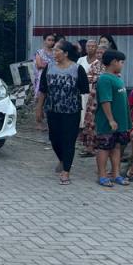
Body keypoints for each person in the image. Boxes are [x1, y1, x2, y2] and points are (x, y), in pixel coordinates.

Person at [34, 39, 88, 185]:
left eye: (57, 50)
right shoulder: (49, 68)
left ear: (65, 53)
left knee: (68, 141)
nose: (54, 53)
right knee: (54, 139)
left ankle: (66, 172)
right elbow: (43, 90)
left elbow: (84, 90)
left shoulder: (77, 69)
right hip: (52, 109)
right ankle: (63, 159)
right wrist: (39, 109)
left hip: (72, 111)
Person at [94, 49, 130, 189]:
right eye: (121, 62)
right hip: (108, 122)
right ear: (114, 62)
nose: (122, 65)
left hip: (120, 122)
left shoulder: (117, 78)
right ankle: (102, 175)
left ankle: (116, 174)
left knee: (116, 147)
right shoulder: (104, 79)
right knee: (104, 148)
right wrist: (110, 119)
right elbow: (105, 101)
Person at [79, 43, 106, 156]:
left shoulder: (109, 66)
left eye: (101, 53)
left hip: (104, 98)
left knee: (99, 122)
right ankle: (89, 147)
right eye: (98, 53)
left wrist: (96, 79)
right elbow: (88, 78)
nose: (99, 55)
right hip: (92, 96)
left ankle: (99, 147)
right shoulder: (95, 66)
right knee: (90, 122)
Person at [33, 33, 59, 98]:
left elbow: (60, 64)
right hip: (42, 77)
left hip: (55, 77)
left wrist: (45, 64)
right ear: (44, 41)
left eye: (53, 40)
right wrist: (53, 65)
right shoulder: (39, 52)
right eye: (49, 40)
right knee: (41, 97)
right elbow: (39, 65)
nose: (51, 42)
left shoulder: (56, 52)